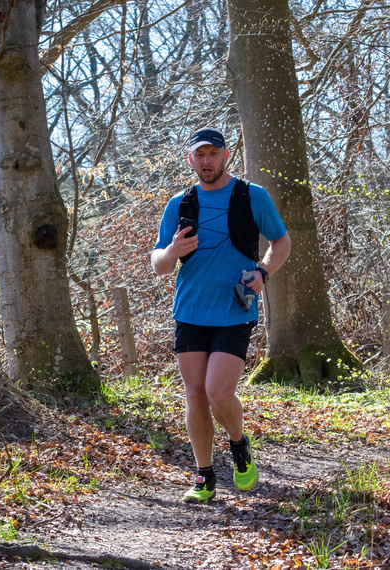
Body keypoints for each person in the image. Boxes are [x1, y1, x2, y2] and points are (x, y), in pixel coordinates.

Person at [151, 126, 291, 503]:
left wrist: (262, 272)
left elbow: (281, 242)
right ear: (191, 159)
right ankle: (205, 476)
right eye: (200, 154)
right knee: (195, 394)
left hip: (234, 309)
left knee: (217, 391)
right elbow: (158, 263)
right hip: (190, 311)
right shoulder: (180, 203)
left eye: (213, 153)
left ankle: (238, 444)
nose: (207, 160)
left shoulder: (251, 196)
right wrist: (173, 250)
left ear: (226, 155)